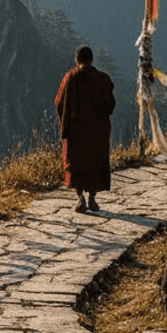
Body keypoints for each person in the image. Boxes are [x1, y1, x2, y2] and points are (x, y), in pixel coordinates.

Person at [55, 45, 115, 213]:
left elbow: (59, 103)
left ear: (77, 60)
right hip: (98, 132)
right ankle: (92, 199)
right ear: (91, 59)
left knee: (77, 164)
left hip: (76, 132)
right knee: (95, 163)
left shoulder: (71, 78)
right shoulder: (102, 79)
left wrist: (65, 124)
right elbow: (110, 105)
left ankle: (80, 198)